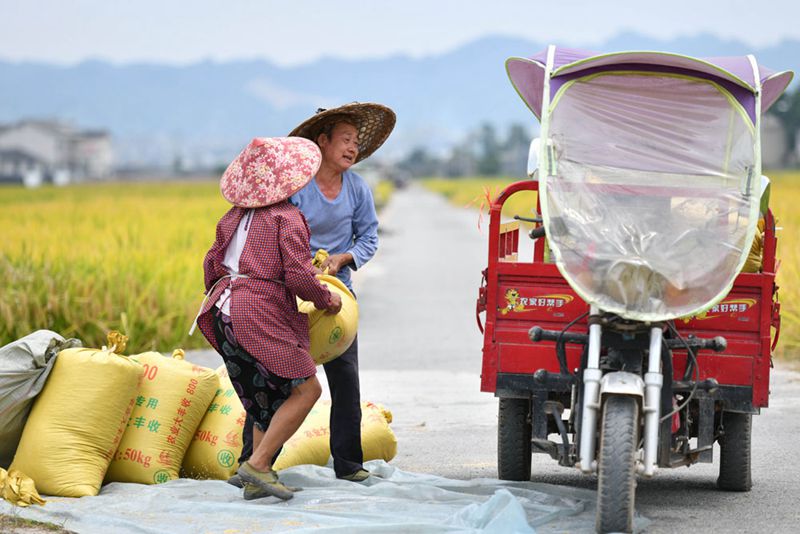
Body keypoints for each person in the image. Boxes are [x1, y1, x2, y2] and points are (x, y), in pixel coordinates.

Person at [192, 136, 342, 501]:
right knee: (308, 389)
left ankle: (258, 478)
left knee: (264, 397)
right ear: (291, 181)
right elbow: (299, 276)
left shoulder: (233, 217)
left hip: (221, 312)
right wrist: (328, 299)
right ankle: (257, 465)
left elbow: (211, 265)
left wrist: (231, 292)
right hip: (256, 315)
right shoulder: (287, 217)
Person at [288, 102, 396, 482]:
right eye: (345, 140)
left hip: (338, 299)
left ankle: (349, 465)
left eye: (355, 143)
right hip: (294, 296)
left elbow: (369, 236)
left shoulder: (357, 188)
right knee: (280, 380)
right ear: (323, 141)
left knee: (346, 381)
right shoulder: (298, 188)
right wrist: (303, 266)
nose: (352, 148)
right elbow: (281, 234)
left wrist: (342, 258)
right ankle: (255, 460)